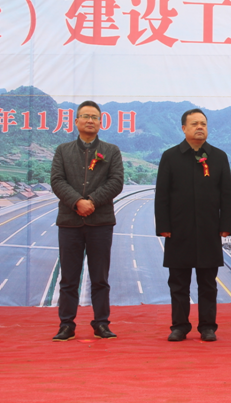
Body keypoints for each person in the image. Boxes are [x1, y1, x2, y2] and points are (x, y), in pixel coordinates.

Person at [155, 108, 231, 342]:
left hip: (209, 229)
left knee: (208, 283)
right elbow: (162, 195)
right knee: (178, 283)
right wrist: (163, 225)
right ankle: (179, 326)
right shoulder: (170, 156)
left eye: (203, 124)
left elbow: (226, 195)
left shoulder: (219, 157)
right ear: (184, 128)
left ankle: (208, 326)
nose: (200, 127)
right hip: (178, 230)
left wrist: (225, 225)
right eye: (194, 124)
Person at [50, 100, 124, 341]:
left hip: (100, 222)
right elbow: (57, 180)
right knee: (68, 278)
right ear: (76, 121)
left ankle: (101, 323)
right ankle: (66, 324)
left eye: (94, 117)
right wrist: (77, 202)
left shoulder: (111, 150)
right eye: (85, 116)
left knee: (100, 278)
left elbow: (116, 182)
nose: (90, 120)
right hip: (69, 222)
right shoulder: (63, 150)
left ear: (101, 122)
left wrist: (91, 201)